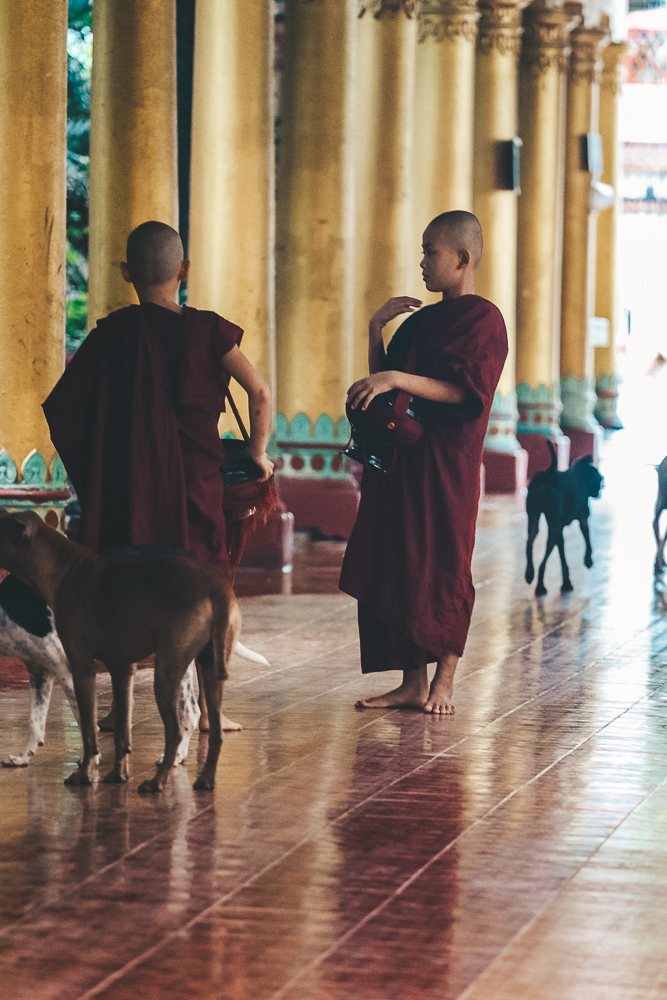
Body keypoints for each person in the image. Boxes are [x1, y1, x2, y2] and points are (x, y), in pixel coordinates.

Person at [43, 220, 274, 730]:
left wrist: (103, 464)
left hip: (133, 487)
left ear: (126, 272)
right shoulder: (208, 330)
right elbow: (258, 391)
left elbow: (65, 408)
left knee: (127, 584)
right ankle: (213, 712)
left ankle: (115, 709)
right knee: (206, 586)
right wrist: (258, 454)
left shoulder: (113, 335)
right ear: (184, 270)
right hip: (197, 482)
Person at [339, 210, 507, 715]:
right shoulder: (419, 321)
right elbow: (383, 385)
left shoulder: (484, 319)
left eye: (431, 252)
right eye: (422, 251)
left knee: (443, 562)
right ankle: (412, 682)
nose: (423, 262)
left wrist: (398, 379)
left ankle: (445, 680)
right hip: (401, 459)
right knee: (397, 560)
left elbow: (463, 391)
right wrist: (375, 328)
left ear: (463, 257)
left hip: (447, 462)